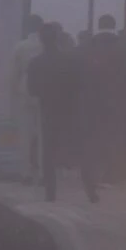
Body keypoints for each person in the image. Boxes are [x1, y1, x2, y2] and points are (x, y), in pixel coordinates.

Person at [27, 23, 98, 203]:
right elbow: (82, 84)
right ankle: (90, 190)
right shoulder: (71, 60)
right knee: (82, 150)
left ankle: (50, 193)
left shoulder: (35, 63)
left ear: (41, 40)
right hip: (71, 110)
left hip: (48, 111)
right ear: (58, 39)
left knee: (48, 152)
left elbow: (32, 89)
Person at [80, 14, 125, 183]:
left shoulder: (88, 46)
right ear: (114, 25)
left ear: (99, 25)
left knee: (92, 136)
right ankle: (111, 174)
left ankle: (90, 173)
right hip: (115, 99)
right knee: (112, 136)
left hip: (91, 99)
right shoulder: (122, 46)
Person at [12, 15, 45, 182]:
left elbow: (15, 71)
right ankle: (42, 173)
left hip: (25, 88)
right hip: (45, 91)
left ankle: (24, 172)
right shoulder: (45, 46)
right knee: (43, 134)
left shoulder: (21, 46)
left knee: (25, 133)